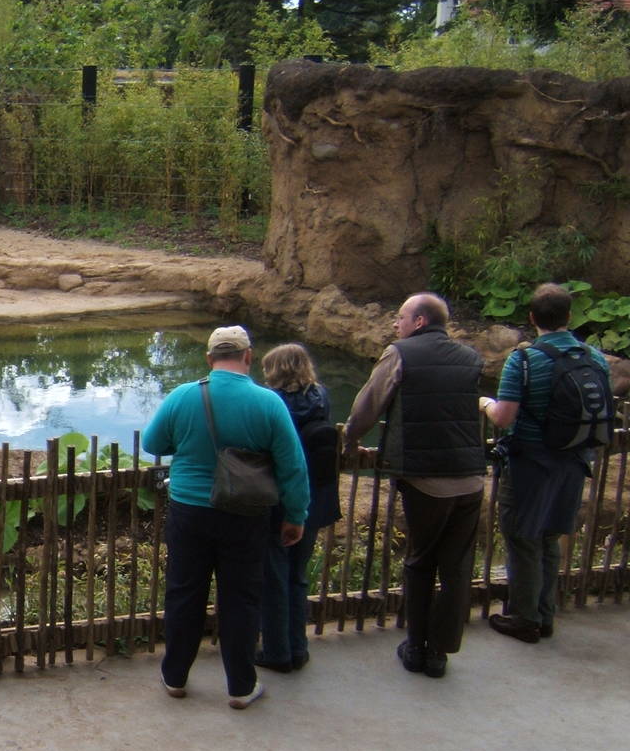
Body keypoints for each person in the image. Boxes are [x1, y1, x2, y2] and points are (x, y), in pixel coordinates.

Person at [142, 325, 308, 709]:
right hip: (245, 514)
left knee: (184, 593)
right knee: (241, 599)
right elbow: (293, 467)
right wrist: (295, 515)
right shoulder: (268, 403)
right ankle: (240, 686)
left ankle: (175, 677)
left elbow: (153, 443)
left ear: (209, 358)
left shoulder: (184, 396)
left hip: (189, 511)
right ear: (248, 356)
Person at [344, 292, 485, 679]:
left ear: (420, 321)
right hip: (471, 478)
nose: (396, 323)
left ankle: (417, 646)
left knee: (421, 561)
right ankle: (440, 653)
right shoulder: (470, 357)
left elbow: (368, 404)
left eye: (401, 316)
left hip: (427, 479)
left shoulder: (400, 353)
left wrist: (351, 439)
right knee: (456, 568)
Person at [481, 282, 610, 643]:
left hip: (531, 464)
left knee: (523, 537)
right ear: (569, 316)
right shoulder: (595, 357)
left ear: (531, 317)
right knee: (551, 536)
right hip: (574, 462)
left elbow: (504, 417)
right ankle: (545, 615)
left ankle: (525, 619)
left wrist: (485, 404)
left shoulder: (524, 360)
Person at [256, 344, 342, 673]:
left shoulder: (272, 402)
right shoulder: (321, 398)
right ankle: (298, 647)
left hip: (280, 499)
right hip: (316, 499)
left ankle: (276, 651)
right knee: (297, 576)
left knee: (274, 576)